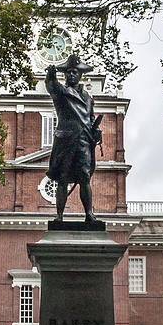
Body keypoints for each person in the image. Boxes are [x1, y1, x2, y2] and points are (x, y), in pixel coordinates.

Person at [45, 54, 102, 223]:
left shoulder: (88, 98)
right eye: (68, 72)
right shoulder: (61, 92)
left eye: (74, 72)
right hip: (66, 140)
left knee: (85, 178)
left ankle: (89, 215)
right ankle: (59, 216)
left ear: (80, 75)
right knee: (62, 178)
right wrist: (51, 75)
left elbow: (91, 120)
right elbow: (52, 86)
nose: (71, 75)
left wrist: (96, 131)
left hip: (84, 140)